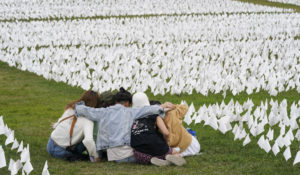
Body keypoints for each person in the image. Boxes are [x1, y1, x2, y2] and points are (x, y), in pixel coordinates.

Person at [74, 87, 174, 163]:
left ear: (115, 101)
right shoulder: (130, 112)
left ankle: (154, 158)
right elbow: (147, 109)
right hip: (128, 154)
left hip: (112, 156)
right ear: (127, 103)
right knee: (145, 150)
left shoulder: (104, 112)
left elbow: (88, 111)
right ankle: (157, 157)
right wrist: (164, 106)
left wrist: (77, 106)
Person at [131, 92, 186, 166]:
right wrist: (166, 144)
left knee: (137, 153)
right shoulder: (156, 116)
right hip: (156, 145)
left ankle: (150, 159)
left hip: (138, 147)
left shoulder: (133, 117)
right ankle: (173, 157)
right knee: (174, 152)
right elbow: (166, 133)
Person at [47, 90, 100, 162]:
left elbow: (61, 120)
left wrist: (56, 125)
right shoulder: (88, 120)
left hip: (50, 144)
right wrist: (95, 156)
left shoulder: (71, 107)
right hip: (60, 151)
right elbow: (88, 140)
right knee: (89, 141)